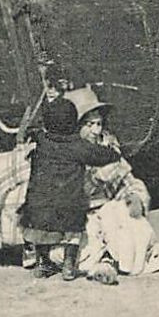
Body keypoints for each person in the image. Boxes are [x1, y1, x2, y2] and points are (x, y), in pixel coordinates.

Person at [68, 87, 159, 284]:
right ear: (76, 126)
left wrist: (136, 197)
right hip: (78, 213)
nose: (96, 130)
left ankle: (110, 263)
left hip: (107, 208)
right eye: (89, 125)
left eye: (98, 124)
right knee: (83, 242)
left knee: (130, 228)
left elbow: (128, 180)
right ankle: (103, 262)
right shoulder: (64, 155)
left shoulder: (108, 148)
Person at [20, 94, 120, 280]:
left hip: (38, 206)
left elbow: (33, 134)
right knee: (73, 234)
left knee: (42, 232)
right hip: (70, 205)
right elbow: (101, 156)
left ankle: (42, 264)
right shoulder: (78, 146)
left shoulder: (42, 142)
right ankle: (68, 266)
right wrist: (112, 151)